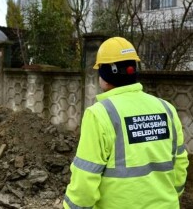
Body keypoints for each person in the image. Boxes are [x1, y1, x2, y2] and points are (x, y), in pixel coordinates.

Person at [63, 37, 189, 208]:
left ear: (105, 74)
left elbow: (85, 179)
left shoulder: (99, 114)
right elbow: (179, 164)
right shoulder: (167, 109)